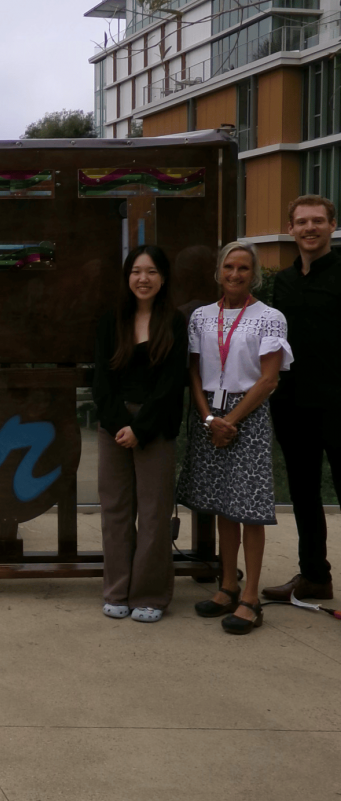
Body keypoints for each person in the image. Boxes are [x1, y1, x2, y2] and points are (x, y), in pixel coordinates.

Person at [177, 242, 291, 635]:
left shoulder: (269, 318)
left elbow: (269, 378)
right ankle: (228, 584)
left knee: (248, 509)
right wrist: (210, 419)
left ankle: (252, 598)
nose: (236, 274)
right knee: (224, 506)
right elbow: (192, 371)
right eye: (229, 267)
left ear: (253, 273)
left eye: (244, 268)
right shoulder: (201, 318)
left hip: (249, 416)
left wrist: (230, 421)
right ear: (218, 272)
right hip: (209, 413)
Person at [93, 246, 187, 623]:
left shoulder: (175, 322)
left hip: (155, 427)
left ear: (162, 278)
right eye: (136, 271)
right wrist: (120, 426)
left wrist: (140, 428)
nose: (143, 279)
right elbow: (102, 381)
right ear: (127, 277)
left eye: (151, 272)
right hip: (113, 427)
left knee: (153, 512)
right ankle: (117, 590)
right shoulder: (110, 320)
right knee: (115, 510)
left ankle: (149, 595)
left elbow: (171, 383)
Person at [263, 195, 341, 603]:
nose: (309, 228)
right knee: (305, 497)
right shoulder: (284, 281)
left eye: (317, 221)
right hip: (294, 407)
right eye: (301, 222)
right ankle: (314, 577)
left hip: (339, 405)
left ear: (332, 225)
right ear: (290, 229)